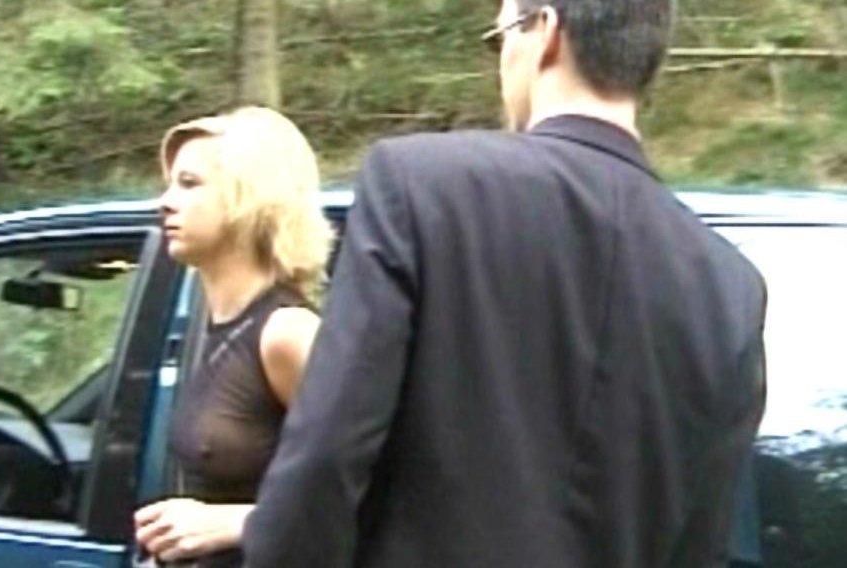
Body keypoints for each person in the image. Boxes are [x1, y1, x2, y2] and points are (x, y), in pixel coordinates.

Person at [243, 1, 767, 567]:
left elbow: (325, 460)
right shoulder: (731, 287)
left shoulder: (420, 187)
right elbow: (701, 542)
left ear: (545, 32)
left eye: (500, 37)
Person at [133, 106, 332, 566]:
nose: (165, 202)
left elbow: (382, 491)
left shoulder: (286, 332)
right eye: (170, 184)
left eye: (189, 184)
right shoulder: (213, 324)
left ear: (250, 199)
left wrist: (238, 522)